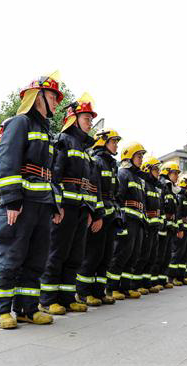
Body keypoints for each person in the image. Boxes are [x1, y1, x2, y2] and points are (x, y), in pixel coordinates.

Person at [0, 73, 64, 329]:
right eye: (53, 96)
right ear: (38, 97)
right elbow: (7, 161)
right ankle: (1, 311)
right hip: (20, 205)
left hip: (42, 205)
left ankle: (27, 309)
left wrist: (55, 204)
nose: (56, 102)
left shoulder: (47, 131)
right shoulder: (20, 123)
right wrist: (11, 200)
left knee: (36, 260)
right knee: (11, 257)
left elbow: (49, 172)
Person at [38, 93, 101, 314]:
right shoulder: (63, 140)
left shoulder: (85, 150)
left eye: (91, 119)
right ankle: (47, 299)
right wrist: (57, 205)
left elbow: (90, 186)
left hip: (81, 210)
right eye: (87, 118)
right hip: (64, 208)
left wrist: (92, 211)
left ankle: (66, 297)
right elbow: (54, 176)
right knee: (56, 253)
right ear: (73, 118)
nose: (90, 122)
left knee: (75, 255)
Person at [76, 129, 122, 306]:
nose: (116, 145)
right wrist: (97, 215)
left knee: (105, 256)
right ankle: (83, 292)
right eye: (113, 141)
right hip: (99, 216)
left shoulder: (111, 165)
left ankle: (99, 291)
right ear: (102, 142)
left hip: (110, 217)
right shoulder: (96, 161)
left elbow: (113, 193)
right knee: (92, 255)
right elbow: (94, 191)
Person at [106, 142, 146, 300]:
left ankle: (126, 287)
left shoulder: (137, 178)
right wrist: (120, 221)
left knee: (134, 254)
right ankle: (112, 288)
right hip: (127, 220)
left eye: (142, 156)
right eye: (138, 156)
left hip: (137, 221)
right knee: (121, 254)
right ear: (129, 156)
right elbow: (118, 198)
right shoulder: (123, 174)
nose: (141, 159)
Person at [138, 156, 164, 294]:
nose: (158, 172)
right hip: (147, 226)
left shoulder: (155, 187)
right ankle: (138, 283)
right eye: (155, 169)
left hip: (155, 227)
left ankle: (146, 283)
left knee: (152, 256)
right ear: (147, 170)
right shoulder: (145, 185)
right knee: (143, 256)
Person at [169, 175, 187, 286]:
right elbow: (178, 215)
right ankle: (171, 277)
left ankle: (180, 276)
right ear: (185, 184)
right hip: (182, 231)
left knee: (185, 255)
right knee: (177, 254)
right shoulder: (181, 197)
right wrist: (180, 229)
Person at [157, 162, 181, 289]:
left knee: (166, 255)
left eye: (177, 173)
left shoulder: (171, 188)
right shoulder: (162, 186)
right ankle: (155, 280)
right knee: (159, 254)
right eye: (175, 173)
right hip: (163, 225)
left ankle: (162, 279)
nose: (177, 176)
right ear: (167, 172)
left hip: (170, 226)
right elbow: (160, 205)